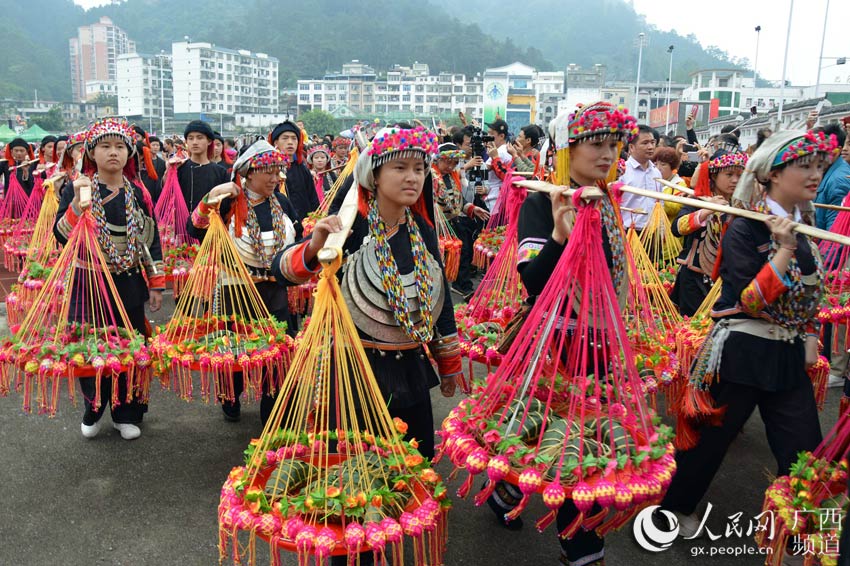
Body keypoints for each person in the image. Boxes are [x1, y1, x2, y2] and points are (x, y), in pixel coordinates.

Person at [661, 130, 837, 552]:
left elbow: (812, 291)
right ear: (773, 175)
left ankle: (804, 528)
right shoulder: (744, 227)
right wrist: (782, 249)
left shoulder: (804, 223)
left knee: (804, 449)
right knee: (709, 442)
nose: (816, 175)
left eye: (819, 166)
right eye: (804, 166)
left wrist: (809, 331)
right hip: (743, 351)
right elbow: (751, 300)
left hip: (787, 354)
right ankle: (671, 511)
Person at [487, 102, 635, 566]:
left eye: (613, 145)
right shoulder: (541, 200)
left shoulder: (606, 203)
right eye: (596, 144)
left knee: (586, 439)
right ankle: (575, 540)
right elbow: (531, 282)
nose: (607, 154)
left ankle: (533, 507)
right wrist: (558, 235)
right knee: (551, 436)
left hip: (599, 344)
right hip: (553, 343)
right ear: (569, 147)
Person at [273, 124, 462, 461]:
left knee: (411, 466)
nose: (412, 178)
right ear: (373, 175)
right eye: (400, 167)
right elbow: (284, 272)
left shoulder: (421, 228)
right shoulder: (349, 222)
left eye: (419, 169)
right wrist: (315, 245)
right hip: (353, 368)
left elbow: (439, 294)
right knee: (353, 471)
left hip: (411, 366)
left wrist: (448, 362)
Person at [53, 117, 165, 440]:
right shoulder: (78, 189)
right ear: (91, 152)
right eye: (105, 146)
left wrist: (156, 283)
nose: (113, 153)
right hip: (89, 282)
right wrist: (76, 204)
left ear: (130, 153)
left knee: (130, 346)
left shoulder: (139, 194)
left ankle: (125, 412)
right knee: (92, 345)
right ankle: (93, 407)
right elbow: (60, 236)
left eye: (119, 146)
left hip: (129, 280)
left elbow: (151, 240)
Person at [188, 140, 302, 425]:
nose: (275, 179)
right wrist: (211, 196)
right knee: (235, 349)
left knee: (276, 353)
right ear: (249, 172)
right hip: (234, 290)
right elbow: (195, 228)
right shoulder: (229, 202)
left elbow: (296, 240)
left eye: (278, 172)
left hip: (274, 290)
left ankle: (273, 409)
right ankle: (231, 396)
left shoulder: (282, 202)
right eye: (269, 172)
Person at [670, 149, 747, 316]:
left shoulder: (742, 206)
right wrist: (706, 211)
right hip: (694, 277)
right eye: (729, 174)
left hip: (726, 280)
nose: (735, 180)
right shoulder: (699, 200)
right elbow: (676, 228)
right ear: (713, 176)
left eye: (739, 175)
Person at [432, 142, 490, 295]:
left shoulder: (453, 175)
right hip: (436, 224)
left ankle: (462, 285)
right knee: (437, 258)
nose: (450, 166)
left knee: (462, 252)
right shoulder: (429, 176)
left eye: (454, 163)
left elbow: (458, 200)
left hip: (454, 221)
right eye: (447, 161)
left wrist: (471, 208)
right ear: (437, 159)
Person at [172, 120, 229, 213]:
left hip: (211, 224)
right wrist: (168, 172)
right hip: (182, 224)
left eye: (199, 138)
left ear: (209, 141)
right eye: (190, 138)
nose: (194, 142)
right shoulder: (179, 169)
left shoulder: (220, 172)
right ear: (186, 142)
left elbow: (225, 206)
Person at [269, 120, 319, 221]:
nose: (290, 142)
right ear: (275, 142)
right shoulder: (269, 170)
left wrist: (315, 218)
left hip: (305, 223)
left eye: (294, 138)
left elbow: (313, 198)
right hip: (280, 224)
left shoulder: (302, 168)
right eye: (285, 138)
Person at [618, 124, 661, 231]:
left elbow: (660, 203)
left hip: (652, 233)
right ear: (631, 147)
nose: (650, 147)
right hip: (628, 231)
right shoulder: (622, 172)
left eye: (652, 142)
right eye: (645, 143)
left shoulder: (656, 172)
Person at [814, 124, 850, 231]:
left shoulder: (838, 180)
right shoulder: (824, 171)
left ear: (837, 151)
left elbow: (835, 232)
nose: (816, 155)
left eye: (823, 149)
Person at [483, 118, 512, 211]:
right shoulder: (505, 149)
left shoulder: (500, 152)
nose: (488, 136)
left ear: (501, 136)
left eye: (491, 134)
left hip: (495, 197)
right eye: (488, 133)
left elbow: (484, 169)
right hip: (497, 195)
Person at [653, 146, 688, 223]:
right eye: (655, 164)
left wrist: (655, 199)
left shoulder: (679, 184)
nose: (658, 168)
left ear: (672, 166)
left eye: (663, 164)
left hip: (669, 230)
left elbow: (676, 207)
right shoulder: (652, 181)